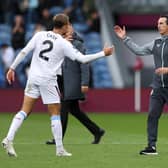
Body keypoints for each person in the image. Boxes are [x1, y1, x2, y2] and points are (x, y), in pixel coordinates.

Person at [1, 13, 114, 157]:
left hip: (33, 77)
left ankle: (9, 138)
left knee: (24, 111)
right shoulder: (63, 43)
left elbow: (24, 51)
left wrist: (12, 68)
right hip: (48, 80)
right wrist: (103, 53)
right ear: (65, 26)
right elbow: (83, 59)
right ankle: (60, 149)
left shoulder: (39, 35)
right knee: (55, 113)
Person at [114, 15, 168, 155]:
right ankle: (151, 147)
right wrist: (125, 38)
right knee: (152, 115)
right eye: (158, 23)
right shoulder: (156, 43)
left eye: (161, 23)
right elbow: (138, 50)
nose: (158, 25)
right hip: (158, 87)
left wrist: (167, 70)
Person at [46, 25, 105, 145]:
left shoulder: (78, 44)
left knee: (63, 108)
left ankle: (58, 139)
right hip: (64, 82)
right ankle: (96, 131)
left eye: (67, 29)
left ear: (72, 30)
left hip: (73, 82)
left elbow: (84, 64)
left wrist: (84, 82)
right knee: (75, 111)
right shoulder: (61, 42)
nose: (65, 31)